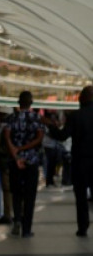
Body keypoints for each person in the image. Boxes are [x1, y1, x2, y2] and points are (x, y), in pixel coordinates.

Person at [44, 85, 93, 236]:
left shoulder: (75, 116)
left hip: (80, 162)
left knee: (80, 197)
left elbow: (62, 136)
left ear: (82, 98)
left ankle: (83, 227)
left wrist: (50, 125)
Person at [3, 91, 45, 238]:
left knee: (16, 193)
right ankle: (27, 229)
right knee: (30, 195)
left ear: (18, 102)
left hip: (15, 161)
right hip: (31, 161)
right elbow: (39, 138)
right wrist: (25, 148)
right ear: (31, 103)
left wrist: (15, 153)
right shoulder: (36, 118)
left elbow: (6, 136)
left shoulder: (11, 118)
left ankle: (17, 221)